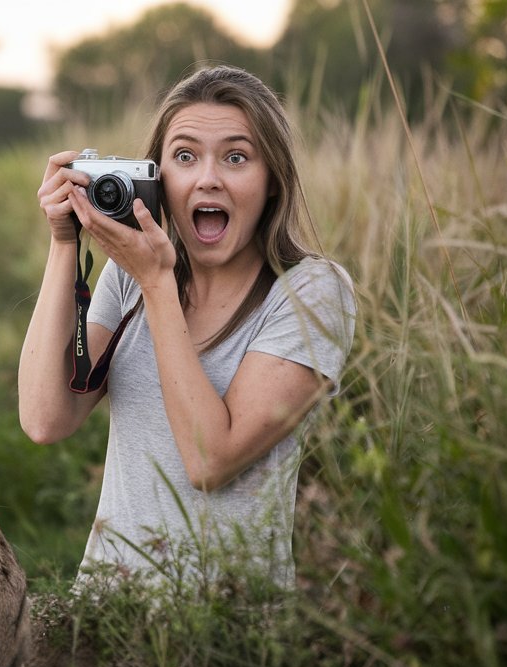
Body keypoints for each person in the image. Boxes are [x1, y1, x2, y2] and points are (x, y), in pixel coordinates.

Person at [18, 65, 356, 588]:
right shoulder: (132, 275)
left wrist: (155, 284)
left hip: (227, 640)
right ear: (157, 180)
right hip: (104, 621)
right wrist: (65, 243)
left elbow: (209, 460)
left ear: (272, 181)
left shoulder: (312, 292)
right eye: (184, 156)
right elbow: (46, 420)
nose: (208, 178)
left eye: (237, 157)